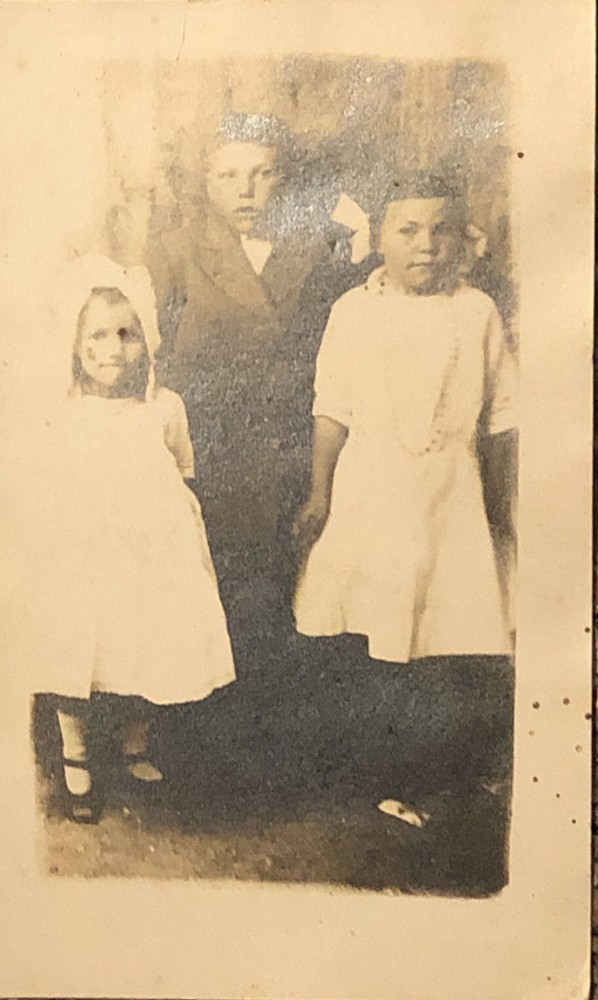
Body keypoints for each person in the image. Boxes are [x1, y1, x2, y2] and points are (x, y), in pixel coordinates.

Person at [146, 113, 379, 797]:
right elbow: (152, 361)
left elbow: (349, 348)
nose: (245, 189)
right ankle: (206, 767)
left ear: (284, 178)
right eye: (228, 174)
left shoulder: (321, 247)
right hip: (206, 460)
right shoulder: (173, 252)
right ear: (206, 182)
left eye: (262, 173)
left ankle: (280, 767)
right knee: (211, 599)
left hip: (294, 455)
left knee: (287, 603)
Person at [293, 174, 517, 816]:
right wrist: (319, 494)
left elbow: (504, 414)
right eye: (409, 229)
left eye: (441, 229)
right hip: (373, 489)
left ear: (462, 238)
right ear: (379, 237)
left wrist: (504, 502)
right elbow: (332, 409)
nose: (426, 244)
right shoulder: (354, 311)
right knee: (378, 627)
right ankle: (382, 776)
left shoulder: (476, 311)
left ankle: (441, 770)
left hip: (451, 492)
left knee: (446, 633)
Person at [30, 254, 235, 823]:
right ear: (76, 345)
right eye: (97, 336)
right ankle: (75, 756)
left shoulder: (164, 407)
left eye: (127, 334)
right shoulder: (63, 413)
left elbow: (182, 470)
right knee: (76, 650)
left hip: (152, 551)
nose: (113, 350)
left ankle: (135, 745)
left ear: (148, 341)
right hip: (85, 551)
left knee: (151, 643)